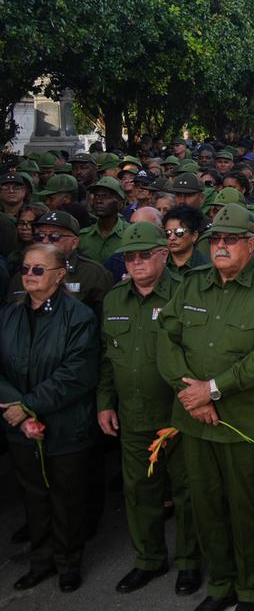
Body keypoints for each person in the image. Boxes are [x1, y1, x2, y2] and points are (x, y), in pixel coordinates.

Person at [156, 203, 254, 610]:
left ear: (251, 244)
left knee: (245, 508)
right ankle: (221, 585)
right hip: (195, 420)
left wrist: (213, 390)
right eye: (215, 238)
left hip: (243, 422)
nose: (220, 246)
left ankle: (252, 588)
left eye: (230, 239)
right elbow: (166, 339)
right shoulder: (192, 284)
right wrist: (191, 394)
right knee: (206, 507)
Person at [97, 223, 202, 595]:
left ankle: (189, 562)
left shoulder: (186, 292)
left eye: (144, 255)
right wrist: (105, 403)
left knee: (187, 491)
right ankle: (148, 560)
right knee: (140, 491)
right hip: (134, 413)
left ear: (163, 254)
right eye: (130, 257)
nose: (137, 262)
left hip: (179, 413)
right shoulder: (114, 299)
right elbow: (108, 357)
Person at [0, 243, 100, 593]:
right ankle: (41, 561)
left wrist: (28, 405)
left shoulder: (79, 317)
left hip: (65, 427)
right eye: (26, 268)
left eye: (39, 269)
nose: (29, 275)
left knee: (66, 499)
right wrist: (19, 411)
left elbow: (77, 374)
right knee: (34, 498)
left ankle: (68, 563)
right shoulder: (9, 315)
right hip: (20, 427)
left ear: (59, 275)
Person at [8, 211, 113, 318]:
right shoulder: (25, 273)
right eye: (40, 236)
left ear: (74, 243)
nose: (45, 241)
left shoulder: (93, 274)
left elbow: (104, 319)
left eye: (54, 236)